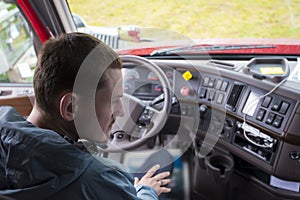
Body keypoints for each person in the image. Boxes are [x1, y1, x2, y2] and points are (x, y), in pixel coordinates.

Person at [0, 32, 172, 200]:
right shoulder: (93, 179)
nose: (121, 111)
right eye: (113, 101)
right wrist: (146, 190)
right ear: (70, 107)